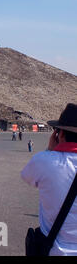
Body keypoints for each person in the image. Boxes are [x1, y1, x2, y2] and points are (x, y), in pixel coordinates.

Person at [21, 103, 77, 255]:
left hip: (55, 250)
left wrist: (50, 150)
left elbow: (27, 177)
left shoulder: (44, 161)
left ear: (60, 134)